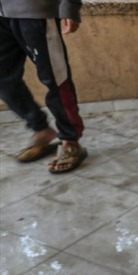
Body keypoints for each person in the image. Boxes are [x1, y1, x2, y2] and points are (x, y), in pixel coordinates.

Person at [0, 0, 87, 173]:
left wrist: (69, 6)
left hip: (36, 12)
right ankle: (41, 129)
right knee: (3, 78)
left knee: (56, 78)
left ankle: (70, 140)